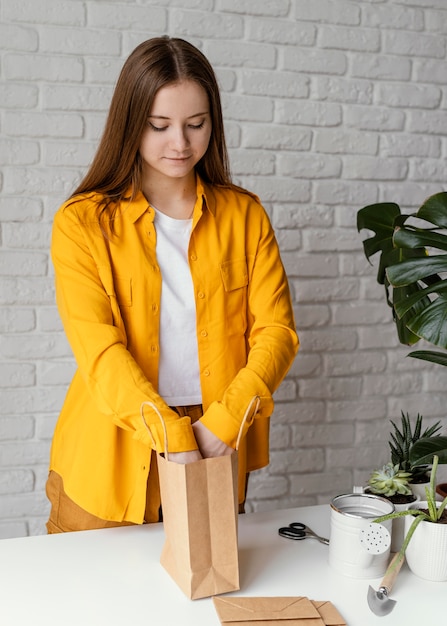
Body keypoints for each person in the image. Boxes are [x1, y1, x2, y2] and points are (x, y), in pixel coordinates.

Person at [46, 36, 299, 533]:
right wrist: (171, 436)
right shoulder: (82, 223)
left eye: (196, 124)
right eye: (159, 126)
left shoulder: (245, 216)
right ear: (129, 124)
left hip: (214, 440)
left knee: (201, 600)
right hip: (109, 455)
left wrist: (222, 427)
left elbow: (278, 333)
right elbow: (99, 350)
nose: (180, 144)